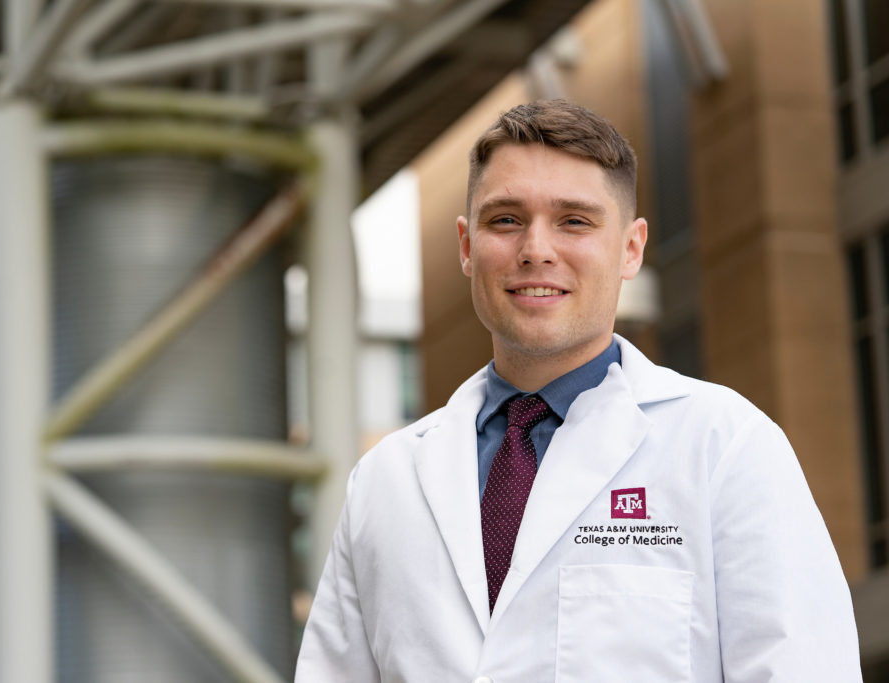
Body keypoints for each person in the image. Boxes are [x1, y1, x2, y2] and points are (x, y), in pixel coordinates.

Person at [295, 100, 861, 682]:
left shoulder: (726, 448)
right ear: (466, 246)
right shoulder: (384, 480)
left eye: (575, 221)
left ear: (631, 249)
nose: (536, 249)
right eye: (506, 220)